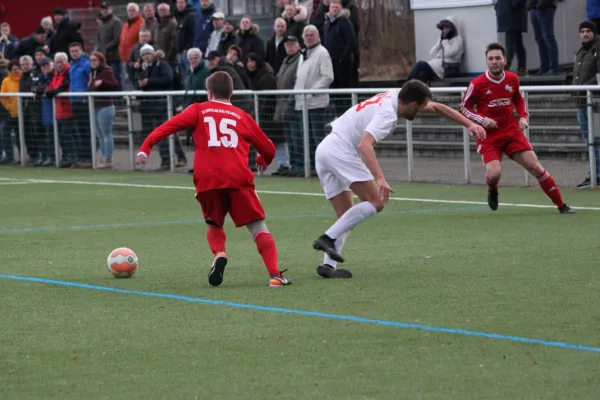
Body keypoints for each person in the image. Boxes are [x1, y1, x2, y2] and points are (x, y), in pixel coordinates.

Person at [311, 80, 487, 278]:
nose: (420, 112)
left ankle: (328, 265)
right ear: (413, 105)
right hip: (340, 151)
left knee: (345, 214)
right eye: (420, 108)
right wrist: (381, 178)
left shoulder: (396, 95)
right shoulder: (387, 114)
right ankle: (327, 238)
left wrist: (470, 124)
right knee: (376, 201)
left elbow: (437, 107)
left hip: (325, 149)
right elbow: (365, 145)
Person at [136, 71, 291, 287]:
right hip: (237, 177)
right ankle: (275, 275)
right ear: (232, 92)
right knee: (257, 226)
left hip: (207, 178)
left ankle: (219, 253)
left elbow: (168, 126)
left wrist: (146, 146)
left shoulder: (198, 110)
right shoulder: (241, 116)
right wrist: (262, 159)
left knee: (214, 223)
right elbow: (268, 148)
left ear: (209, 92)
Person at [460, 42, 574, 213]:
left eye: (498, 58)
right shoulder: (477, 84)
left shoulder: (512, 79)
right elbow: (463, 107)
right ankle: (492, 188)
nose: (494, 61)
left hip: (511, 132)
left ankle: (562, 206)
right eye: (490, 59)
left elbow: (519, 100)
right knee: (494, 173)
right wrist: (482, 120)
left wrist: (523, 117)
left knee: (535, 167)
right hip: (489, 136)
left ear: (505, 60)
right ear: (487, 61)